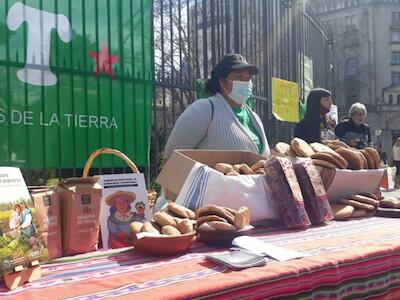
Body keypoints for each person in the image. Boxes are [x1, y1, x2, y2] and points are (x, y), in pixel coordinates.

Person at [164, 53, 270, 159]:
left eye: (248, 78)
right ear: (223, 82)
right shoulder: (204, 109)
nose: (246, 82)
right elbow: (172, 155)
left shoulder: (254, 117)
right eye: (239, 77)